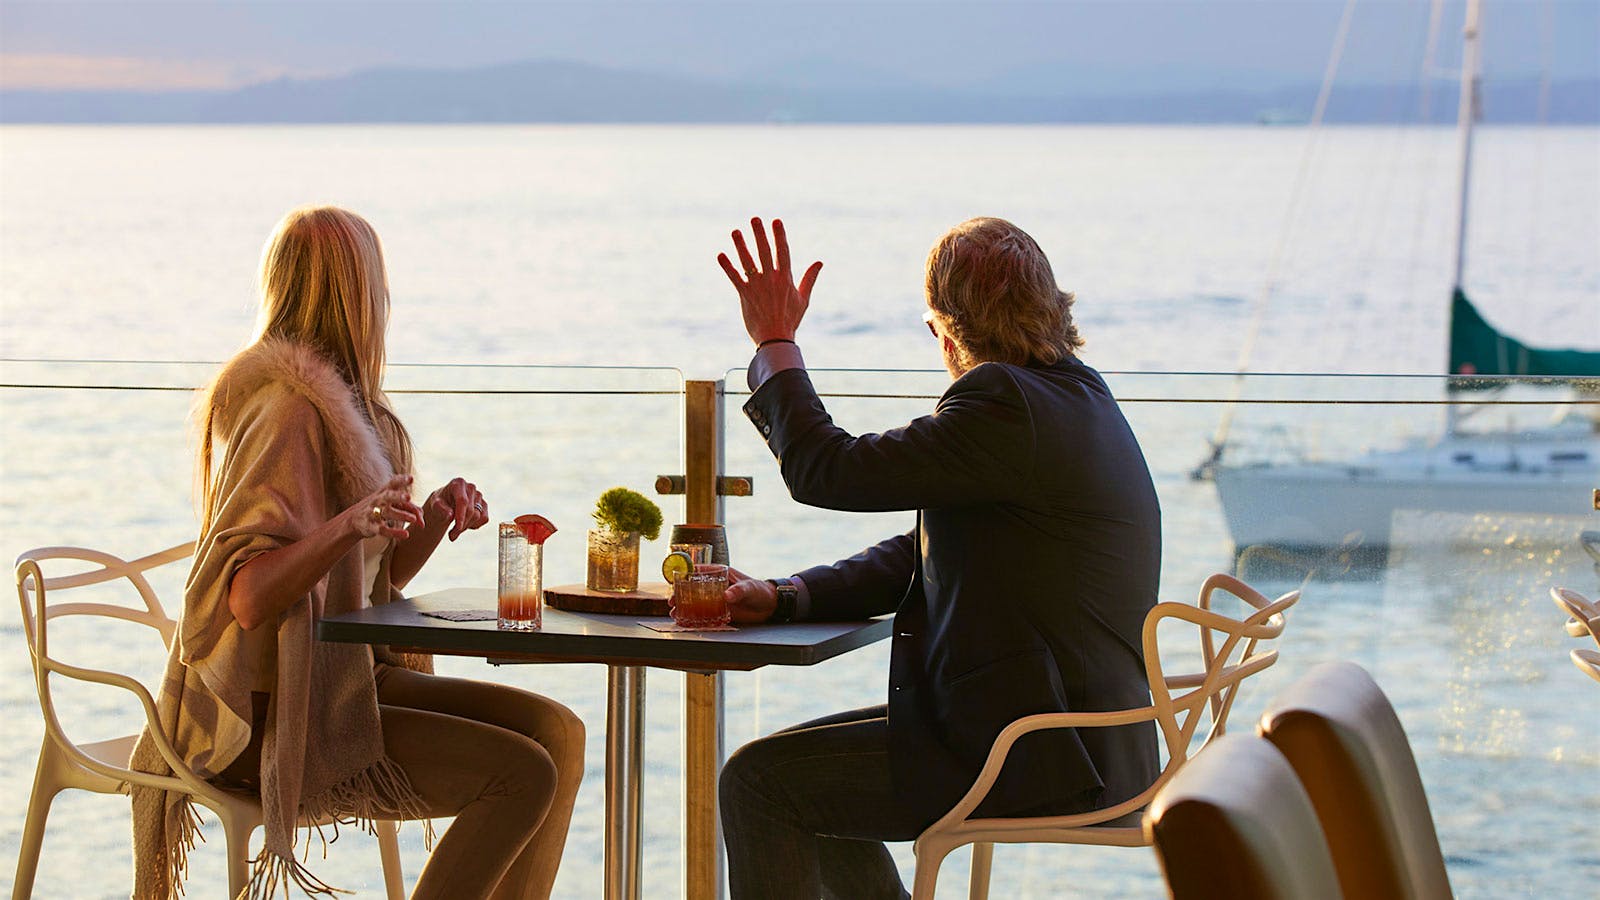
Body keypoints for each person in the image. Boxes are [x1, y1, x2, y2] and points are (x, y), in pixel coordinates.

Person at [129, 207, 584, 900]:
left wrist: (430, 518)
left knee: (560, 732)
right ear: (357, 293)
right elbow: (246, 597)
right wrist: (346, 525)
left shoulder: (354, 414)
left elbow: (378, 579)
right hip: (271, 714)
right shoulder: (287, 413)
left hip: (345, 679)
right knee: (523, 774)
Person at [713, 216, 1162, 899]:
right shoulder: (1080, 393)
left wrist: (775, 342)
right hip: (1092, 743)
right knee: (798, 788)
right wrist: (787, 595)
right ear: (1051, 303)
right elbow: (929, 549)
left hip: (1035, 754)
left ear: (942, 331)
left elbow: (826, 470)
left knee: (760, 783)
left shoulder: (1003, 403)